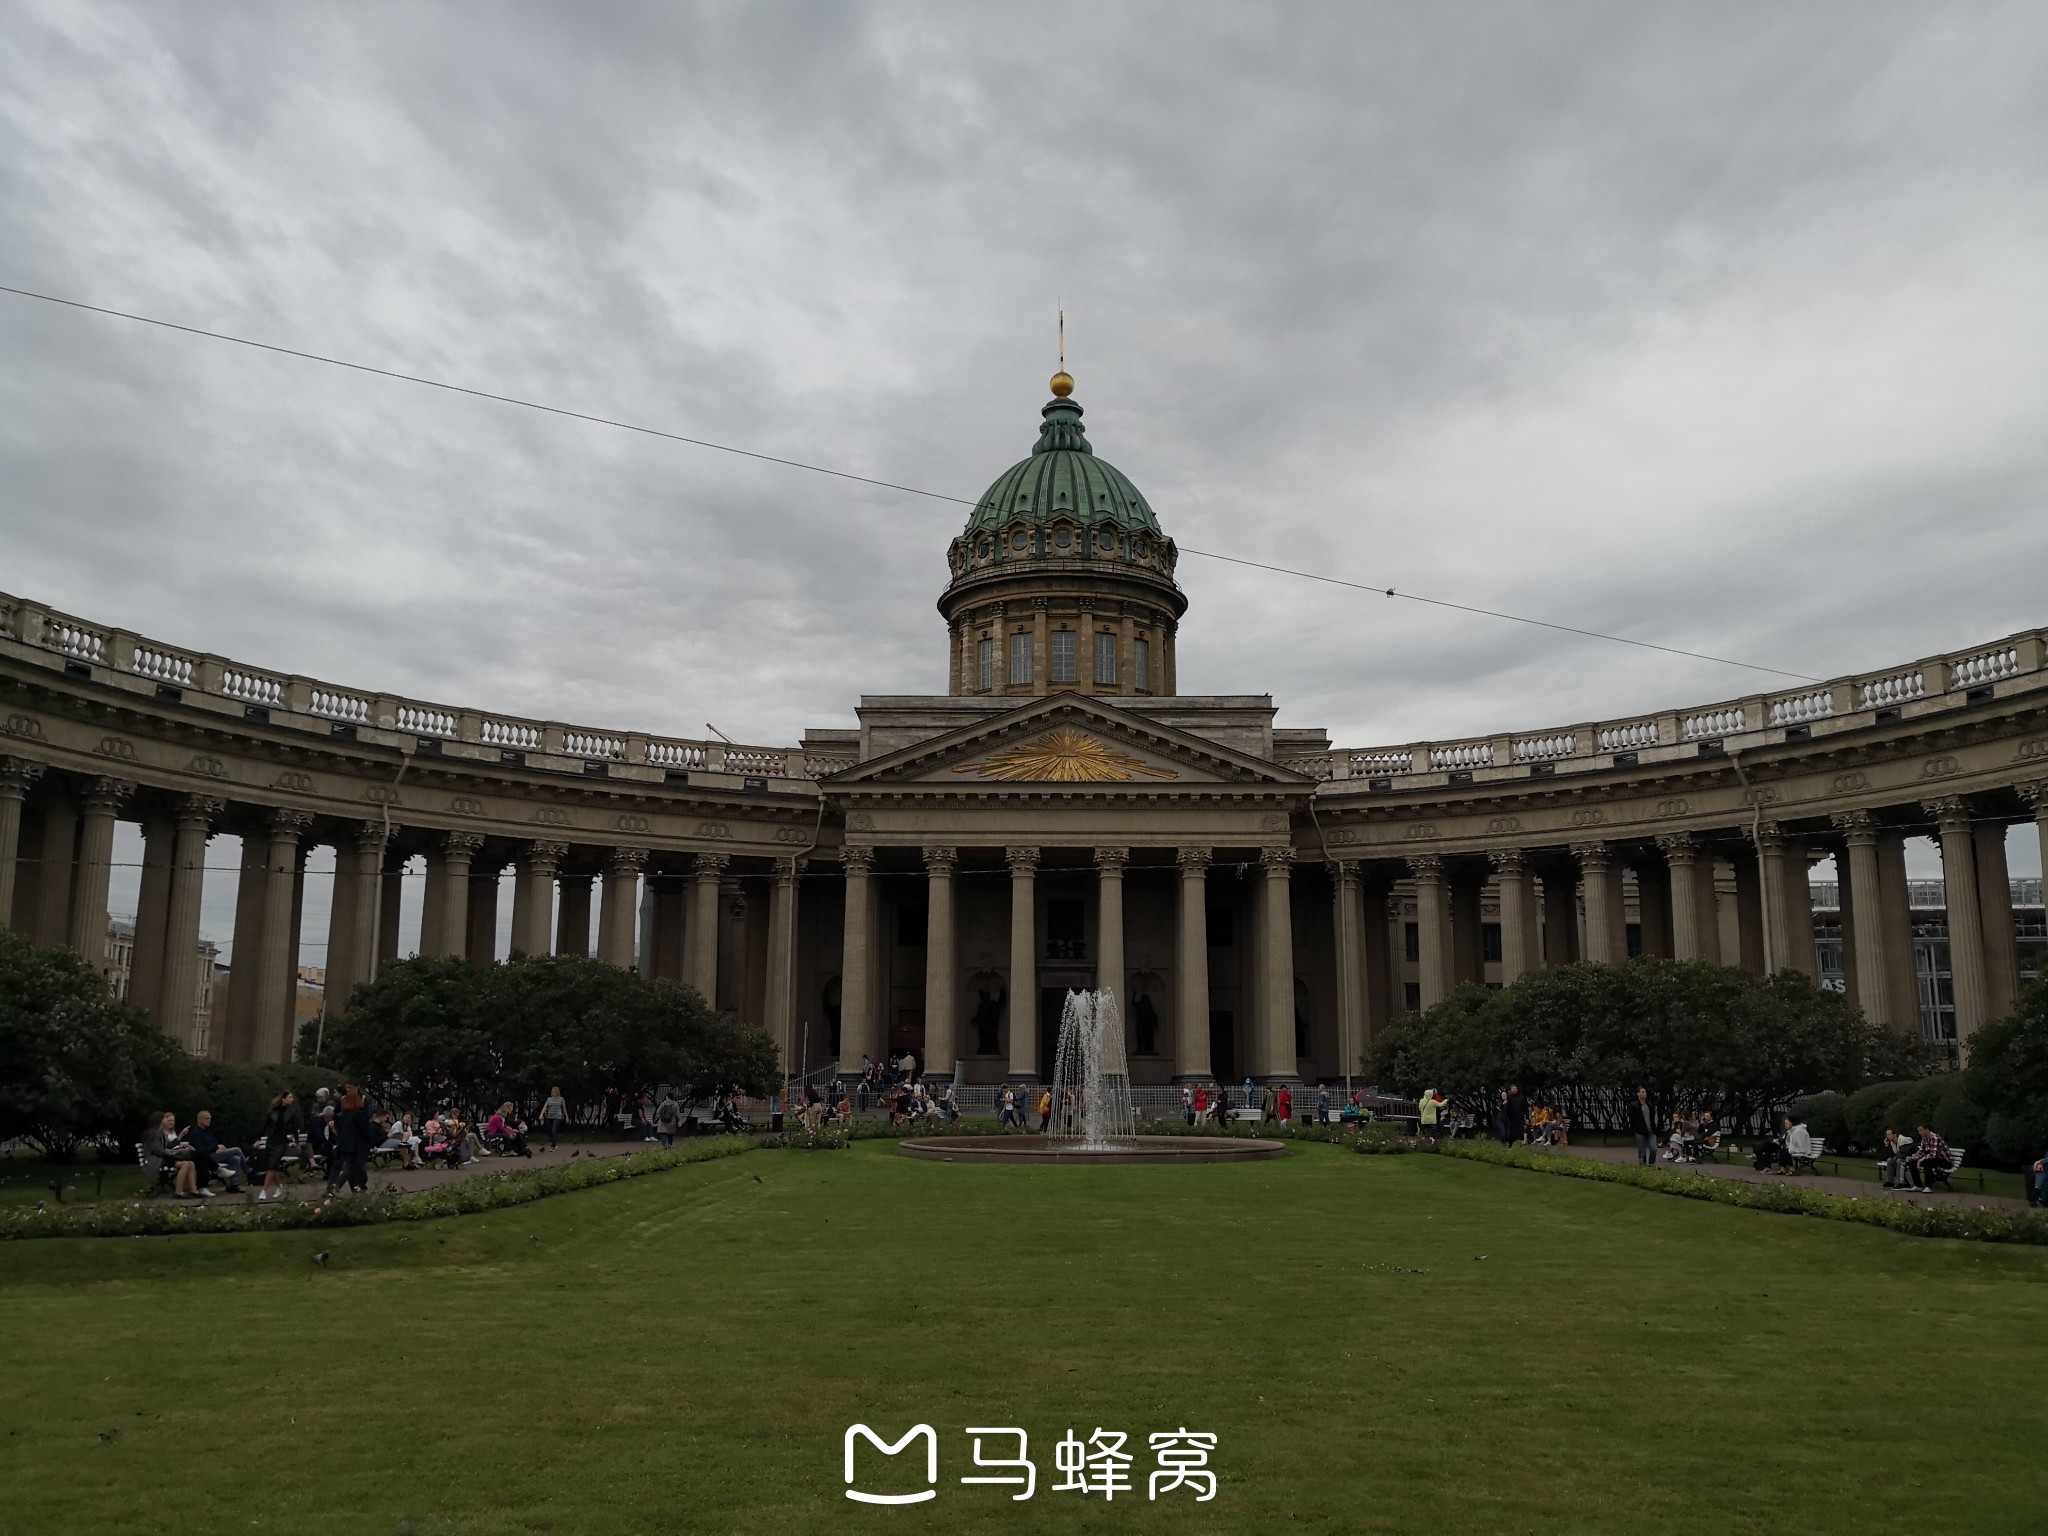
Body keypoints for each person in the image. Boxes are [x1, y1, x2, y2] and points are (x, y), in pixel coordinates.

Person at [183, 1109, 247, 1193]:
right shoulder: (195, 1133)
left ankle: (234, 1185)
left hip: (216, 1154)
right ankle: (248, 1170)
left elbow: (214, 1142)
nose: (209, 1120)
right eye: (207, 1118)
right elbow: (202, 1150)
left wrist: (219, 1148)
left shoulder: (208, 1131)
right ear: (199, 1119)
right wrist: (216, 1147)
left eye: (210, 1118)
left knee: (235, 1159)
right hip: (208, 1157)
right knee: (237, 1150)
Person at [144, 1110, 204, 1197]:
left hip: (163, 1157)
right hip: (157, 1160)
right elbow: (159, 1151)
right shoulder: (155, 1133)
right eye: (165, 1119)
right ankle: (178, 1191)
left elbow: (168, 1146)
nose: (167, 1121)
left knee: (191, 1163)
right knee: (185, 1164)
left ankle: (193, 1190)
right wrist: (175, 1152)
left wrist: (179, 1148)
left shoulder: (160, 1133)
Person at [254, 1090, 300, 1202]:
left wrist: (296, 1142)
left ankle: (264, 1190)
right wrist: (258, 1139)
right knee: (273, 1166)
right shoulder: (272, 1112)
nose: (292, 1099)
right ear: (283, 1099)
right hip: (271, 1141)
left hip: (281, 1142)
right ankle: (279, 1187)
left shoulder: (291, 1114)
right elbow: (264, 1126)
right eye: (290, 1097)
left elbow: (294, 1129)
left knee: (272, 1165)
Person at [331, 1085, 376, 1195]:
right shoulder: (359, 1115)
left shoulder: (341, 1116)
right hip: (357, 1146)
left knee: (351, 1168)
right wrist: (372, 1144)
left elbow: (339, 1132)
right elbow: (366, 1131)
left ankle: (356, 1190)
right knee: (352, 1169)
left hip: (345, 1146)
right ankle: (336, 1186)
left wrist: (339, 1144)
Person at [1909, 1124, 1953, 1189]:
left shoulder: (1935, 1138)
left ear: (1927, 1129)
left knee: (1927, 1162)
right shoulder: (1924, 1139)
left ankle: (1928, 1186)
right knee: (1912, 1162)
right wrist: (1913, 1157)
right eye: (1918, 1131)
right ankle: (1918, 1185)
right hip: (1934, 1159)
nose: (1919, 1133)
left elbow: (1933, 1154)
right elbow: (1921, 1151)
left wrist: (1921, 1159)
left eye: (1921, 1131)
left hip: (1945, 1161)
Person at [1624, 1087, 1658, 1166]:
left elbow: (1652, 1117)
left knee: (1654, 1149)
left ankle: (1651, 1164)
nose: (1645, 1093)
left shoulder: (1649, 1105)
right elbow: (1632, 1120)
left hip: (1651, 1131)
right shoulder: (1634, 1106)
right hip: (1640, 1132)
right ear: (1638, 1094)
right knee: (1642, 1152)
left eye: (1645, 1092)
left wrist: (1654, 1128)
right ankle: (1642, 1166)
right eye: (1642, 1092)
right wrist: (1636, 1129)